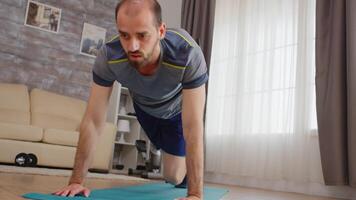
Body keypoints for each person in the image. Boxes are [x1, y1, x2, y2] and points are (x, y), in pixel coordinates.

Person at [54, 0, 208, 199]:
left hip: (176, 114)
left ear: (161, 31)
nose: (132, 46)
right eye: (124, 35)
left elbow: (193, 125)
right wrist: (76, 181)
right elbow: (93, 121)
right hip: (144, 109)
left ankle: (183, 174)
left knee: (173, 176)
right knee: (167, 166)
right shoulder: (109, 56)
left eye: (142, 35)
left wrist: (195, 194)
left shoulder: (188, 53)